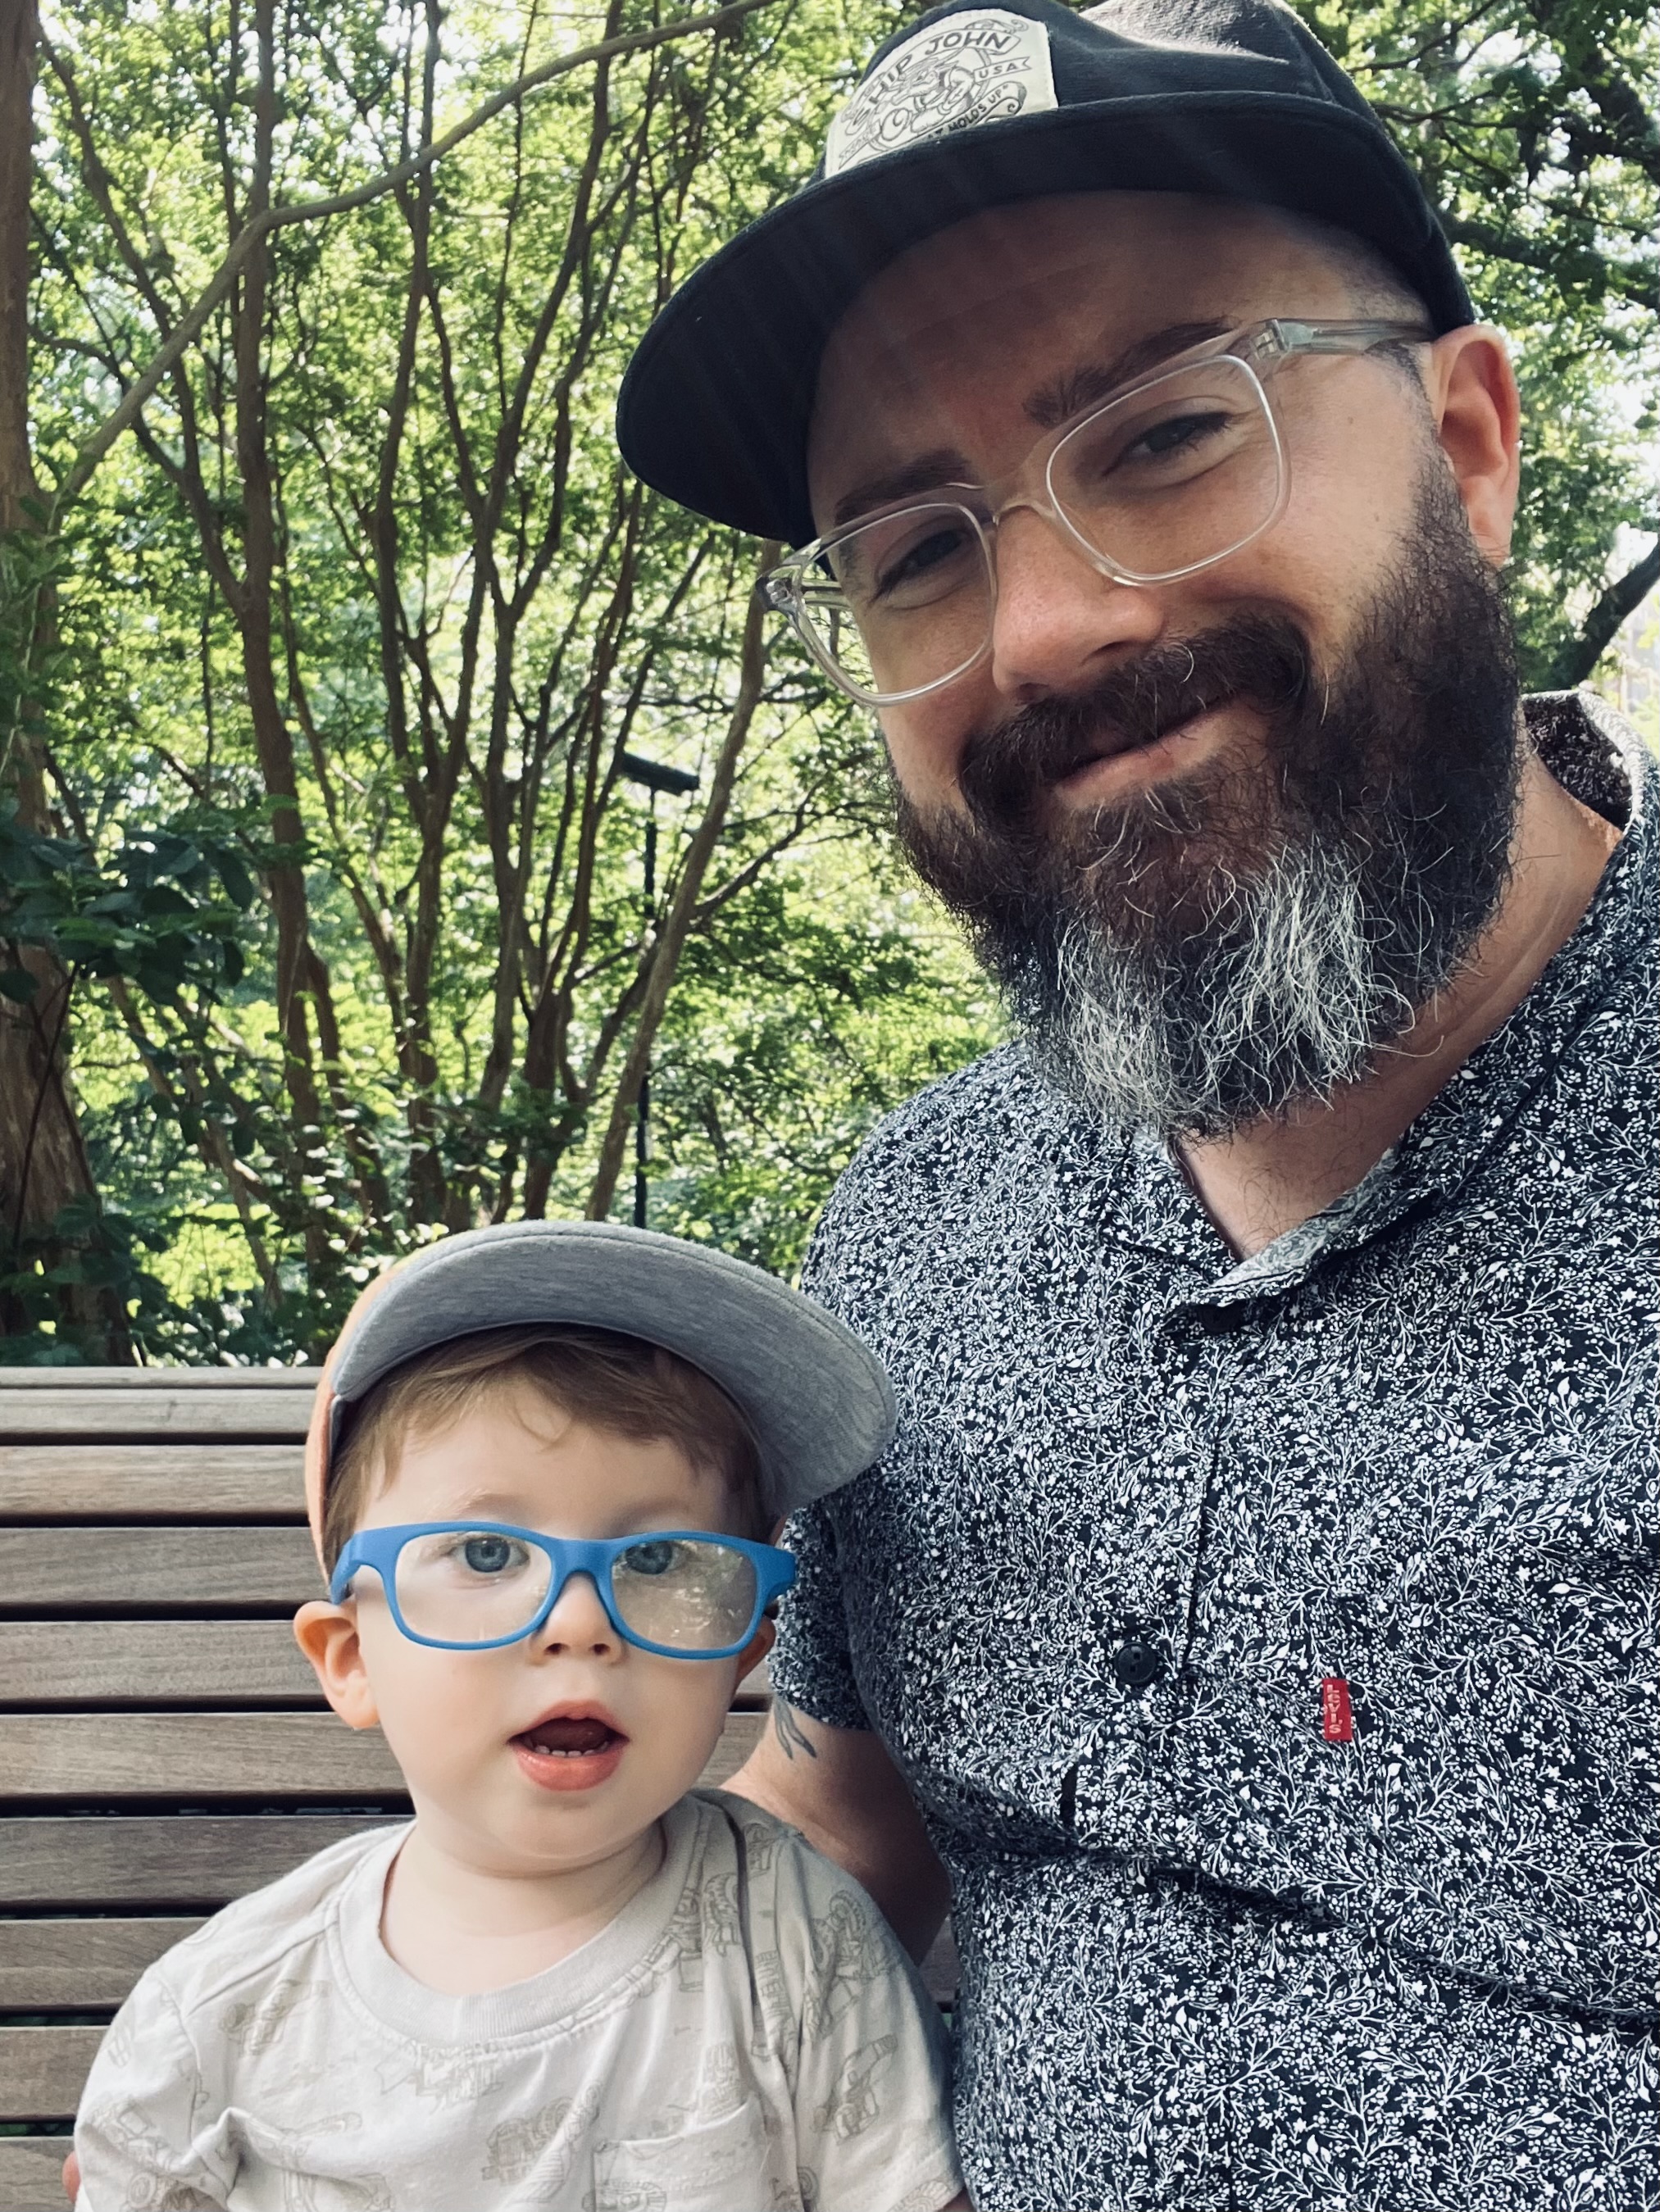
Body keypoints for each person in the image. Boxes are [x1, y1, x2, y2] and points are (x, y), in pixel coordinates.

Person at [615, 1, 1658, 2206]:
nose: (1050, 626)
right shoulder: (916, 1226)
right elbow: (840, 1835)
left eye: (1173, 430)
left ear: (1469, 445)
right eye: (913, 550)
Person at [70, 1222, 967, 2212]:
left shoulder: (796, 1943)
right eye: (489, 1554)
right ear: (354, 1658)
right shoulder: (222, 2012)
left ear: (745, 1648)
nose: (580, 1623)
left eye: (661, 1559)